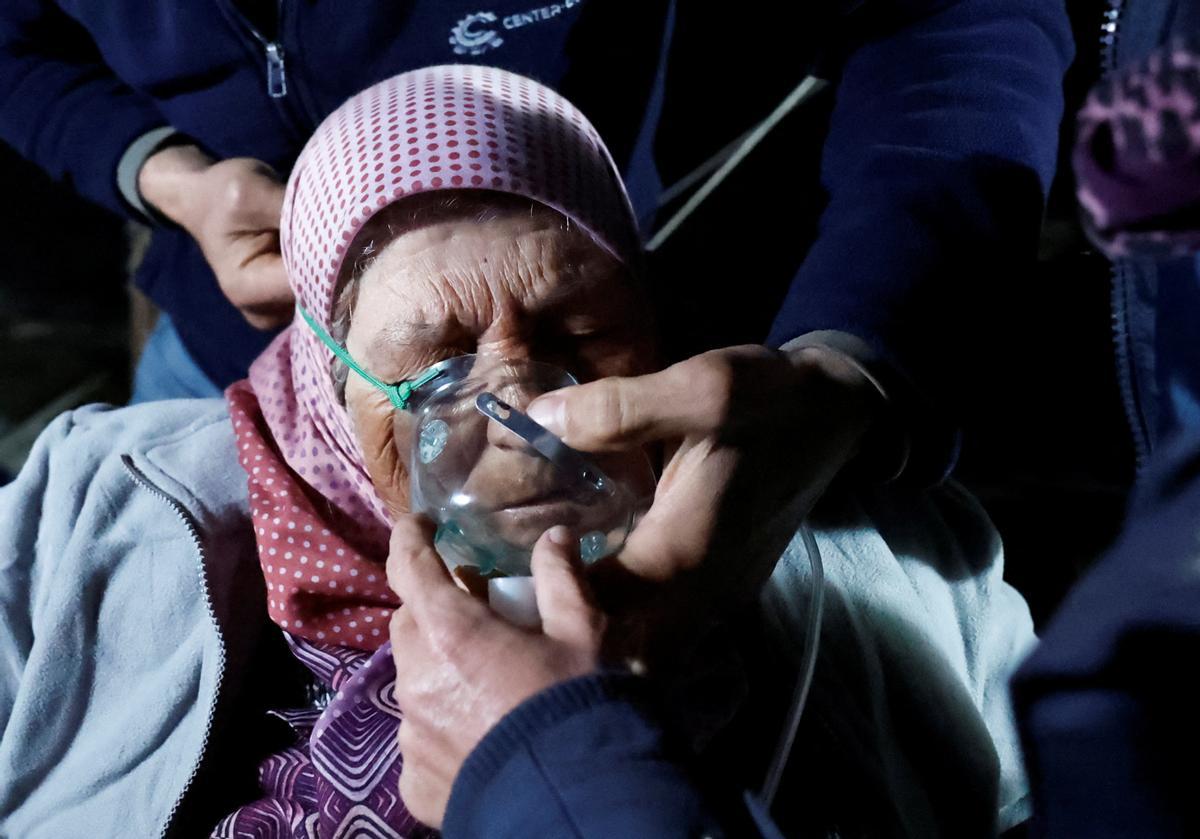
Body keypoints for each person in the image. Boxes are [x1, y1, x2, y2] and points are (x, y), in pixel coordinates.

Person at [0, 66, 1038, 837]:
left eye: (576, 335)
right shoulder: (99, 499)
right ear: (326, 372)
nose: (516, 404)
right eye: (437, 353)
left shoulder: (872, 546)